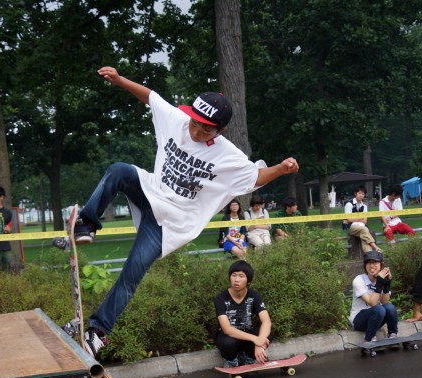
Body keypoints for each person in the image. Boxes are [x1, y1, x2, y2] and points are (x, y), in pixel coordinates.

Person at [57, 66, 299, 358]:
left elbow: (255, 178)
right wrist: (120, 80)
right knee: (119, 171)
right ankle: (86, 225)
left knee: (131, 274)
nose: (196, 132)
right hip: (151, 190)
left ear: (219, 130)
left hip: (170, 224)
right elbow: (151, 97)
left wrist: (281, 169)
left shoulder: (227, 155)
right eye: (194, 124)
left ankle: (97, 332)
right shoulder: (177, 119)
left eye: (205, 129)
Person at [213, 261, 271, 367]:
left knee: (266, 333)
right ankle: (231, 360)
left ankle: (250, 357)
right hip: (229, 336)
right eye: (233, 275)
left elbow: (266, 320)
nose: (236, 280)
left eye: (241, 276)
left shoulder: (254, 296)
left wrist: (259, 343)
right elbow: (227, 329)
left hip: (246, 333)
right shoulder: (220, 298)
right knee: (228, 343)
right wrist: (256, 339)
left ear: (248, 280)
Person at [350, 251, 398, 342]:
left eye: (375, 262)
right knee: (379, 309)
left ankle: (393, 335)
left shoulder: (381, 279)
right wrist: (379, 283)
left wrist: (387, 285)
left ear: (381, 264)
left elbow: (384, 302)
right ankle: (370, 338)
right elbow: (373, 303)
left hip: (377, 318)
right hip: (359, 320)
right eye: (368, 263)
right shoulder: (358, 280)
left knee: (390, 307)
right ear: (365, 265)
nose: (371, 265)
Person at [343, 186, 382, 254]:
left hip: (361, 227)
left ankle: (369, 255)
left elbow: (365, 221)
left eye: (363, 194)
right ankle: (375, 247)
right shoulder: (349, 204)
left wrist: (354, 219)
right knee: (365, 230)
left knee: (363, 234)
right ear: (355, 193)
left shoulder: (364, 206)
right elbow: (348, 219)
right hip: (350, 227)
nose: (361, 195)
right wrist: (360, 218)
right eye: (360, 193)